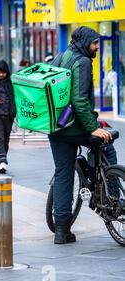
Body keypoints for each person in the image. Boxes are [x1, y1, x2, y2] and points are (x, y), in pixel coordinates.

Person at [49, 26, 117, 245]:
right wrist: (92, 127)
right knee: (107, 142)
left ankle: (61, 231)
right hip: (75, 127)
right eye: (94, 42)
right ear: (86, 42)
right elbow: (79, 100)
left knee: (63, 174)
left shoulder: (61, 57)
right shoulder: (83, 61)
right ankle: (112, 196)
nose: (97, 46)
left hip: (57, 127)